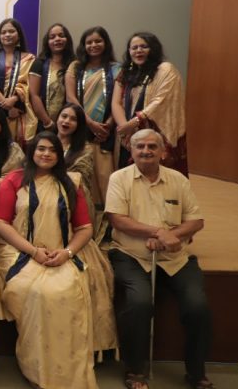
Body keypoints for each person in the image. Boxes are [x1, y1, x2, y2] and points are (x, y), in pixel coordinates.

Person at [106, 129, 212, 389]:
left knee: (198, 307)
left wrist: (170, 236)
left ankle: (196, 373)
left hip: (175, 258)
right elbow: (118, 220)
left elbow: (196, 220)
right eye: (140, 146)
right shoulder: (119, 178)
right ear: (131, 151)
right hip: (131, 255)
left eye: (152, 146)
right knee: (139, 303)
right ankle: (135, 370)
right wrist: (158, 232)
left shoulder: (178, 180)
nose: (146, 151)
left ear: (163, 152)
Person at [0, 132, 97, 389]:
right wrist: (33, 251)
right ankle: (38, 370)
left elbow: (84, 228)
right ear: (32, 152)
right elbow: (1, 223)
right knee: (39, 293)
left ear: (59, 155)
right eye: (41, 149)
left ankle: (68, 373)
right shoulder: (14, 180)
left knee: (69, 291)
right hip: (19, 252)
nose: (46, 154)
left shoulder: (70, 183)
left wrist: (67, 253)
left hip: (61, 253)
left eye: (52, 150)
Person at [56, 103, 118, 356]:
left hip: (74, 204)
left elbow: (78, 178)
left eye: (72, 119)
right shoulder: (45, 142)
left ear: (79, 125)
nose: (66, 121)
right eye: (63, 116)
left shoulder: (85, 150)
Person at [112, 32, 188, 175]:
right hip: (127, 137)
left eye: (144, 46)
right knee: (128, 178)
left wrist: (135, 122)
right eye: (134, 48)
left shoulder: (165, 69)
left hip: (153, 135)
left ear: (153, 49)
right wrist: (126, 129)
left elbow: (160, 101)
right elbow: (116, 102)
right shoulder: (126, 72)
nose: (138, 50)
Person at [64, 26, 120, 208]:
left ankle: (106, 218)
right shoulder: (76, 67)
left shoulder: (116, 68)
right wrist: (88, 123)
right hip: (80, 127)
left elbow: (119, 100)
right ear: (83, 45)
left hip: (106, 132)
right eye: (89, 42)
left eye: (98, 41)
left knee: (105, 177)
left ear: (106, 43)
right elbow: (70, 97)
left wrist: (108, 125)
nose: (93, 45)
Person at [0, 18, 36, 145]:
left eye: (11, 31)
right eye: (3, 32)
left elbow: (29, 86)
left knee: (17, 146)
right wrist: (8, 107)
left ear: (19, 35)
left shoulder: (29, 58)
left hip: (19, 111)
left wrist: (14, 100)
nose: (7, 35)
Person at [29, 23, 75, 133]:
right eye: (52, 37)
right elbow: (34, 95)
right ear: (47, 42)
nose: (57, 39)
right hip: (43, 124)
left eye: (61, 35)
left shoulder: (75, 64)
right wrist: (47, 122)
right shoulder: (39, 63)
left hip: (69, 124)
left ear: (67, 39)